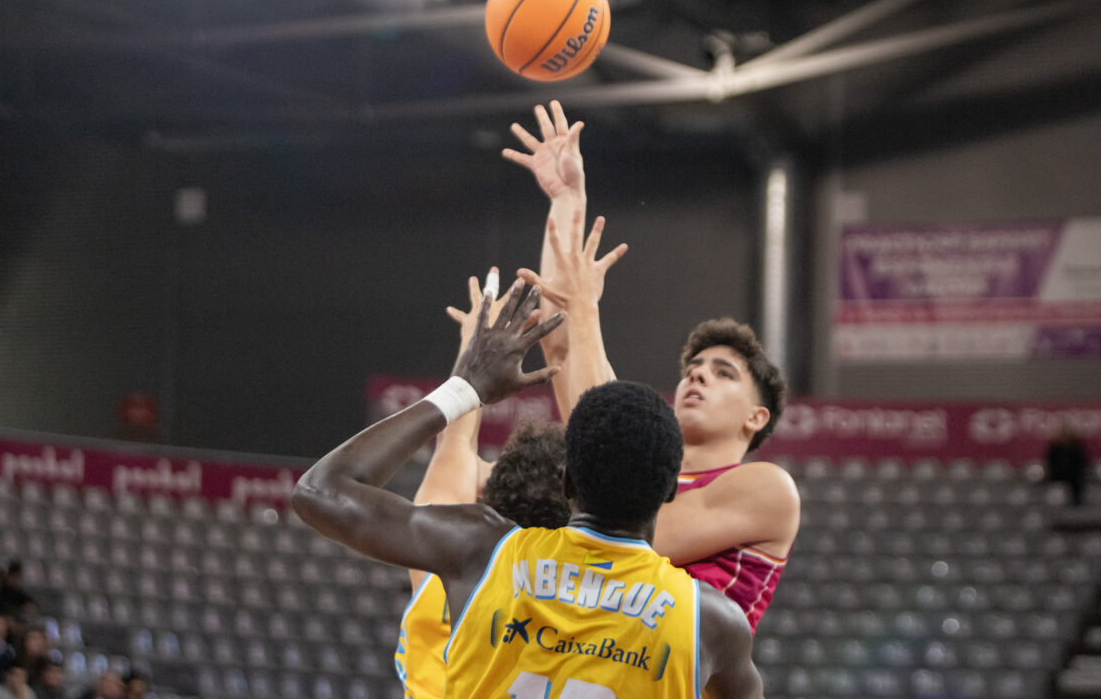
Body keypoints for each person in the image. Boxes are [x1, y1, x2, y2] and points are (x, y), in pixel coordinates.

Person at [294, 282, 761, 698]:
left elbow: (319, 491)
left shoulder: (479, 552)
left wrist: (466, 387)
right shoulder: (712, 622)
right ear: (669, 491)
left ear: (568, 480)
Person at [508, 102, 799, 632]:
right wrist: (566, 200)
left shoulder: (765, 489)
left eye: (724, 372)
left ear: (756, 418)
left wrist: (586, 308)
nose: (698, 375)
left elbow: (634, 527)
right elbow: (560, 344)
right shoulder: (629, 458)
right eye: (694, 367)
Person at [395, 269, 571, 699]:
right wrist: (577, 326)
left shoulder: (447, 570)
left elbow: (455, 441)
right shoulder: (590, 606)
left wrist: (474, 350)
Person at [1047, 425, 1089, 506]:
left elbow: (1082, 460)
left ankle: (1076, 502)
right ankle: (1056, 502)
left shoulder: (1076, 446)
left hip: (1073, 474)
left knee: (1077, 482)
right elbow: (1050, 461)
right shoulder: (1055, 447)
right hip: (1058, 473)